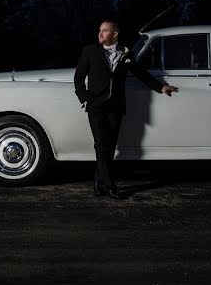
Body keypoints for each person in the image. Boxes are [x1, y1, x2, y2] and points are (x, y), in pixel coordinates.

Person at [74, 20, 177, 199]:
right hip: (95, 106)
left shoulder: (126, 53)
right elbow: (78, 78)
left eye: (105, 31)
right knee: (100, 144)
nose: (100, 33)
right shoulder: (89, 51)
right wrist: (84, 99)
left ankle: (98, 181)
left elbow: (141, 73)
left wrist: (161, 88)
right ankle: (110, 184)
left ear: (115, 34)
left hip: (116, 105)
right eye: (99, 30)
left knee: (110, 146)